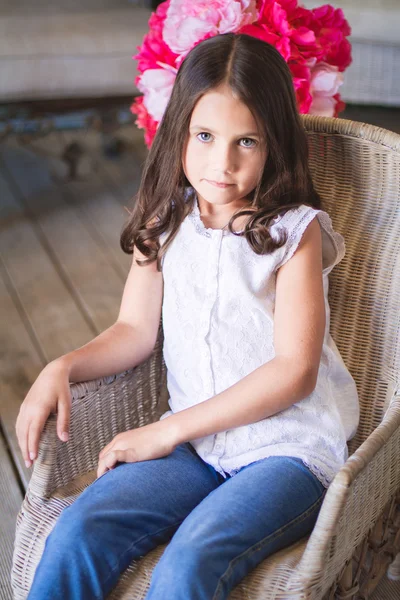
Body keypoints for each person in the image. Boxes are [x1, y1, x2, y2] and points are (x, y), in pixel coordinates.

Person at [17, 32, 360, 600]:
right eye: (204, 136)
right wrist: (63, 366)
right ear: (178, 131)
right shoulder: (166, 221)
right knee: (78, 529)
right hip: (201, 452)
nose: (221, 164)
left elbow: (294, 371)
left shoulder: (293, 234)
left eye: (245, 141)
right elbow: (132, 331)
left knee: (189, 562)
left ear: (274, 143)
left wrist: (166, 430)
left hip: (286, 454)